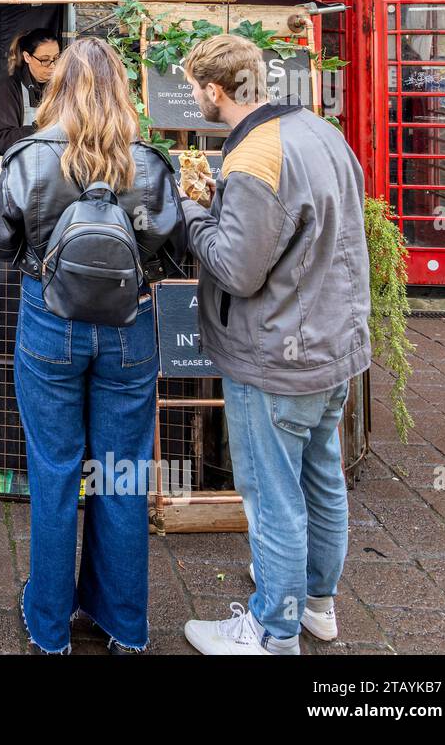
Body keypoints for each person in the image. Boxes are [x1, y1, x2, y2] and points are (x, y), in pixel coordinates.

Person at [0, 36, 184, 655]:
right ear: (122, 89)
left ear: (58, 86)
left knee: (55, 470)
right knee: (121, 473)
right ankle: (123, 624)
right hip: (130, 328)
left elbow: (0, 240)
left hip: (51, 323)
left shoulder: (30, 155)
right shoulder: (148, 162)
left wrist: (44, 269)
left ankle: (49, 627)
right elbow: (172, 250)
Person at [178, 35, 371, 656]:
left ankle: (270, 633)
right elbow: (310, 222)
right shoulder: (316, 129)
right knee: (321, 479)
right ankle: (316, 605)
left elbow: (238, 270)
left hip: (274, 356)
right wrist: (226, 205)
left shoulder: (255, 154)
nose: (192, 99)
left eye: (193, 89)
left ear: (214, 90)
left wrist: (191, 214)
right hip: (330, 343)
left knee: (272, 498)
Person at [0, 27, 59, 154]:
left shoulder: (62, 87)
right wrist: (44, 129)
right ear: (27, 57)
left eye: (56, 58)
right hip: (22, 166)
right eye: (44, 60)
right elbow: (4, 140)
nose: (53, 66)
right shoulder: (8, 88)